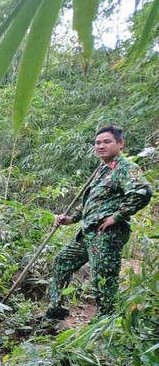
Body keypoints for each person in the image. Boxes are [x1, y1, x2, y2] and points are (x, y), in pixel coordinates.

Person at [45, 125, 153, 320]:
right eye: (97, 143)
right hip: (88, 233)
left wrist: (117, 216)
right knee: (63, 261)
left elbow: (143, 191)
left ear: (120, 144)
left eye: (106, 142)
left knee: (103, 279)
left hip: (106, 236)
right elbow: (92, 202)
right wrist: (71, 219)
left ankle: (104, 323)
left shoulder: (125, 168)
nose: (101, 146)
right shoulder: (103, 169)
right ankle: (56, 309)